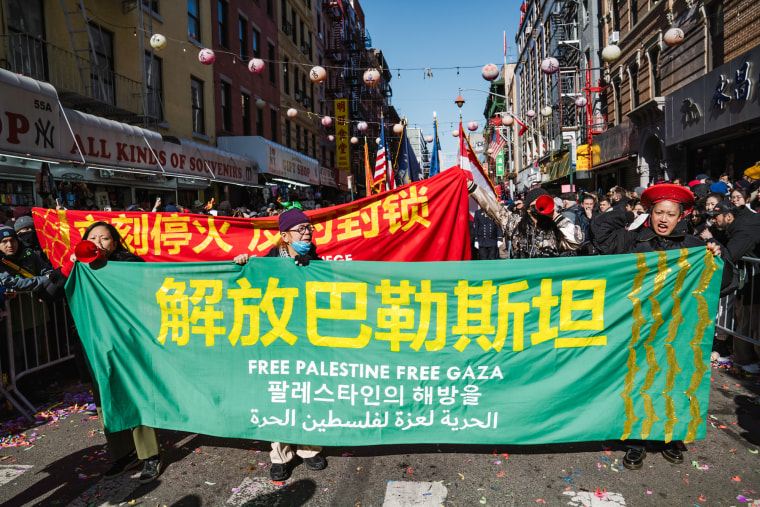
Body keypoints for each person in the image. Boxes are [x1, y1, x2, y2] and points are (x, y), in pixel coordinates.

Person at [591, 184, 723, 470]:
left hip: (677, 331)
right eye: (659, 212)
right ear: (649, 214)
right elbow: (599, 232)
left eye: (671, 214)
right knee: (637, 382)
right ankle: (636, 442)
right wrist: (625, 207)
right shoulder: (631, 240)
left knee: (673, 382)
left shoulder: (693, 246)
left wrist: (716, 254)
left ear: (681, 217)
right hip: (636, 328)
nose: (664, 219)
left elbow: (723, 282)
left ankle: (668, 438)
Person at [233, 209, 326, 481]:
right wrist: (243, 264)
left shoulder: (317, 261)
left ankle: (309, 449)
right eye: (301, 230)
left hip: (308, 339)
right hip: (277, 339)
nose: (307, 233)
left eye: (309, 228)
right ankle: (281, 453)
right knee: (279, 394)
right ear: (284, 236)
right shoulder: (266, 262)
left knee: (308, 391)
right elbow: (248, 287)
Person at [75, 222, 164, 484]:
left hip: (125, 340)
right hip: (92, 344)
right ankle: (124, 453)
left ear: (115, 243)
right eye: (93, 238)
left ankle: (150, 455)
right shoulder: (78, 266)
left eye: (105, 238)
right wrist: (70, 265)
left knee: (134, 395)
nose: (99, 243)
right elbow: (51, 291)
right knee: (106, 400)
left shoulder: (129, 263)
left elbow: (147, 293)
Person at [467, 183, 582, 258]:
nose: (539, 205)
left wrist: (554, 215)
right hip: (522, 283)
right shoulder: (515, 223)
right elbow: (493, 208)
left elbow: (576, 241)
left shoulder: (556, 228)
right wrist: (472, 188)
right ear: (527, 208)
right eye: (536, 202)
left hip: (547, 284)